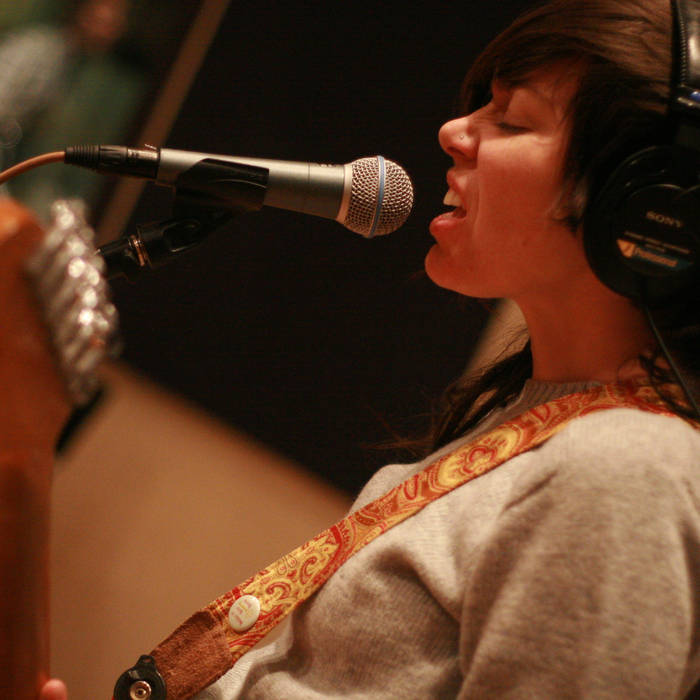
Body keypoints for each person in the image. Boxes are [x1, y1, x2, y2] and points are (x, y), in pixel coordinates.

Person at [24, 0, 700, 696]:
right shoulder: (543, 426)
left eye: (512, 120)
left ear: (644, 205)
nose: (453, 132)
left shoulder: (625, 471)